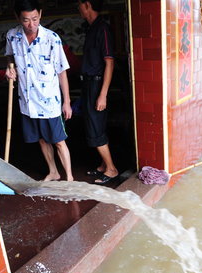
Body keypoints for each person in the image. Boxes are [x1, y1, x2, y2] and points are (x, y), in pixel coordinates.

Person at [5, 0, 74, 181]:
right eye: (26, 20)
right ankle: (53, 171)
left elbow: (62, 71)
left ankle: (69, 178)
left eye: (35, 19)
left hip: (49, 99)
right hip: (27, 100)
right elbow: (11, 59)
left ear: (40, 15)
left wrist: (66, 102)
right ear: (18, 17)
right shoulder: (12, 36)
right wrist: (9, 69)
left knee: (59, 141)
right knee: (41, 139)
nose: (32, 25)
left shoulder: (52, 39)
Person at [78, 0, 118, 185]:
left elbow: (109, 63)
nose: (78, 8)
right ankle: (103, 165)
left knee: (96, 126)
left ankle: (111, 169)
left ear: (87, 5)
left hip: (97, 85)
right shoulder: (92, 28)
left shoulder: (102, 29)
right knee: (94, 124)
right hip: (88, 84)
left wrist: (103, 94)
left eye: (79, 4)